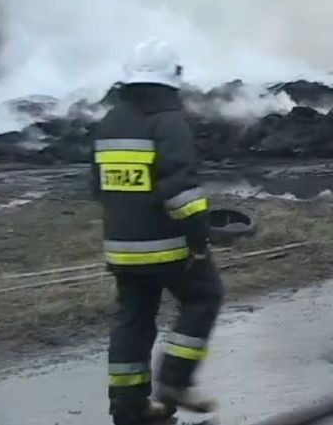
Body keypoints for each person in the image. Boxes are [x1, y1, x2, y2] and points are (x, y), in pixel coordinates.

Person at [92, 39, 222, 425]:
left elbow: (97, 188)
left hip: (121, 248)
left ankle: (129, 408)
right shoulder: (169, 123)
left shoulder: (108, 123)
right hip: (167, 246)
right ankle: (174, 382)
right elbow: (182, 192)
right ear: (171, 80)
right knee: (204, 298)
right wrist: (198, 240)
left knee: (133, 318)